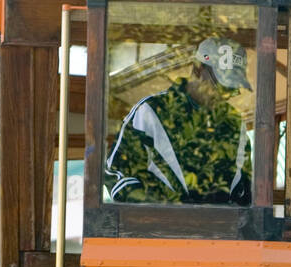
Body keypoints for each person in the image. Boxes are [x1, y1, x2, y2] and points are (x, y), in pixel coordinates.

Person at [105, 36, 252, 205]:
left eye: (231, 91)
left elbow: (245, 186)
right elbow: (116, 175)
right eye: (221, 86)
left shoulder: (233, 123)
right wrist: (161, 211)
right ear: (197, 69)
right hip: (159, 227)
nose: (222, 96)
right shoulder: (151, 110)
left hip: (219, 229)